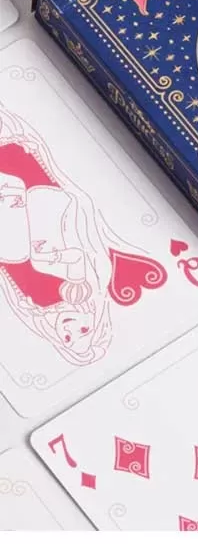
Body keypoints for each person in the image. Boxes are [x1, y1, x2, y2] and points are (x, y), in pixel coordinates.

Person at [0, 110, 113, 365]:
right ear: (95, 320)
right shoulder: (86, 286)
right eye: (83, 330)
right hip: (38, 206)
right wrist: (57, 258)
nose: (70, 328)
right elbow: (76, 255)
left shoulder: (35, 306)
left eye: (67, 338)